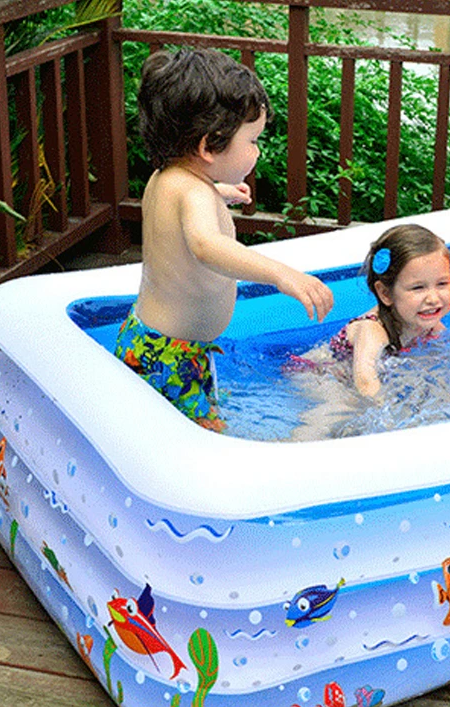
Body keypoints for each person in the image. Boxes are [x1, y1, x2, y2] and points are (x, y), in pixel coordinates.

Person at [114, 48, 333, 431]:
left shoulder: (167, 179)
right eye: (252, 140)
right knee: (204, 441)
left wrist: (218, 192)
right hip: (174, 356)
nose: (257, 151)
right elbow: (206, 245)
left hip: (152, 342)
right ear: (208, 146)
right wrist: (281, 274)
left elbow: (181, 208)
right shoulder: (195, 194)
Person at [294, 224, 450, 398]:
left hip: (349, 373)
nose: (433, 299)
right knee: (344, 406)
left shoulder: (427, 321)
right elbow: (366, 382)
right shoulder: (372, 330)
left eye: (442, 284)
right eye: (418, 288)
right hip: (314, 372)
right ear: (385, 293)